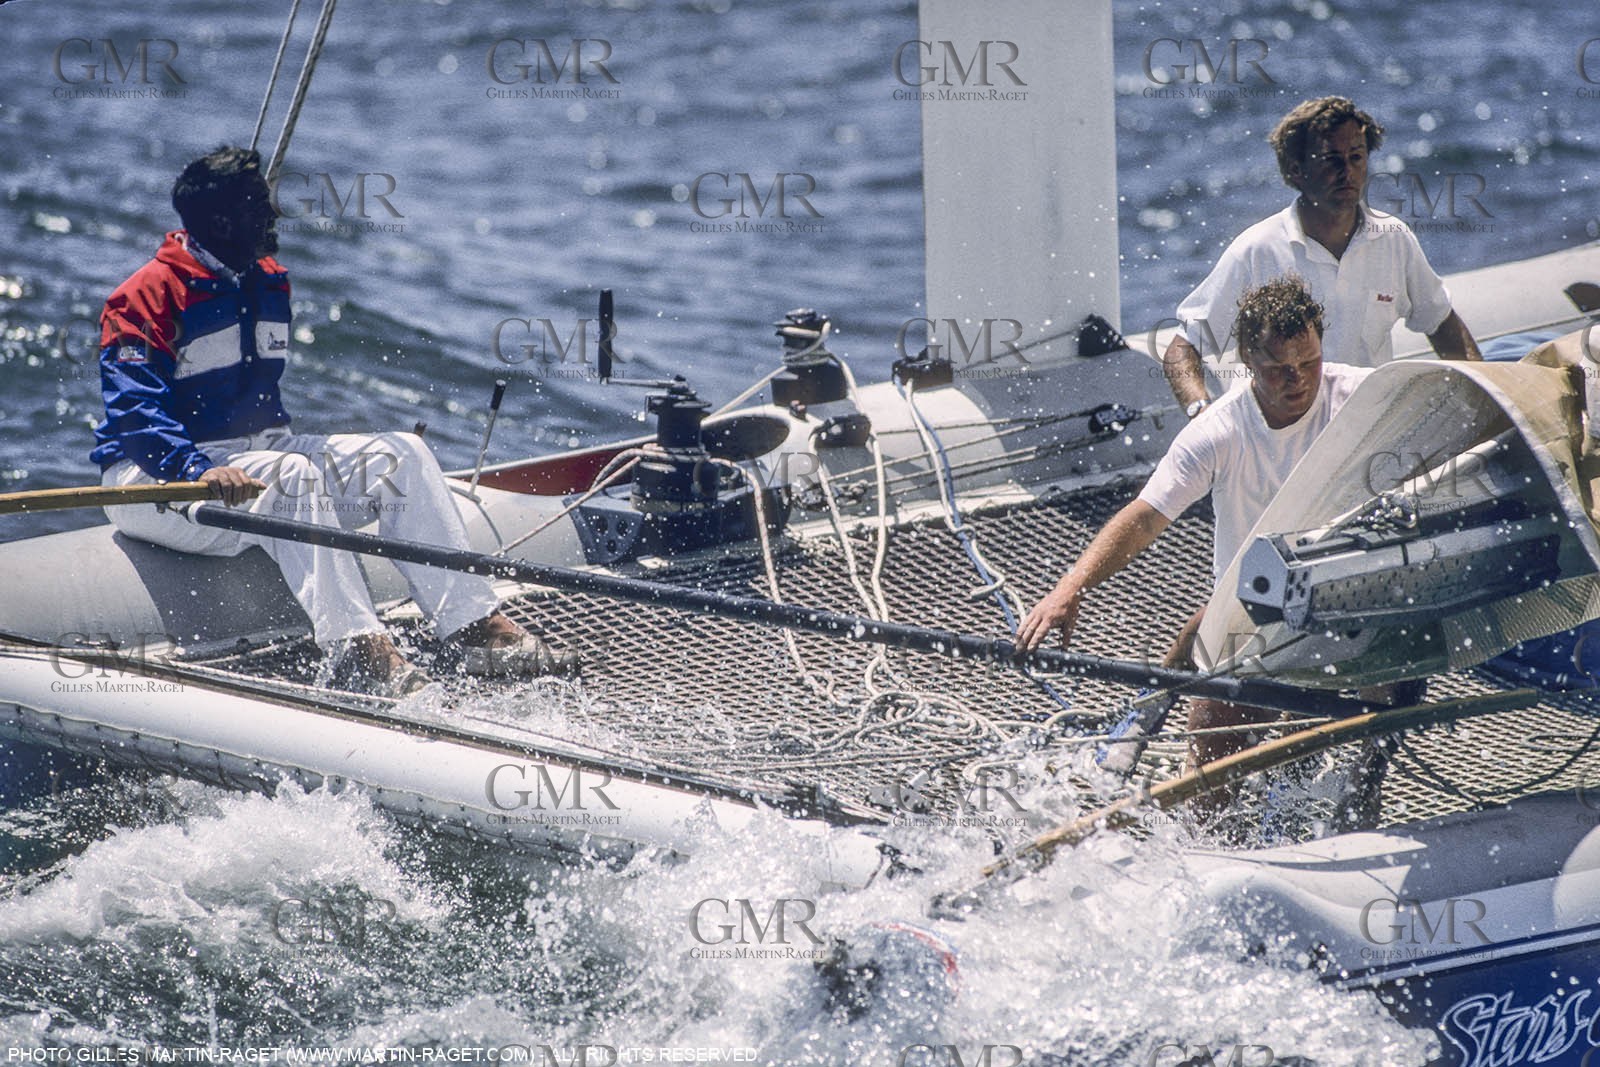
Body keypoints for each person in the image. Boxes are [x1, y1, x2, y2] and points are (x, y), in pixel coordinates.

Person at [90, 145, 576, 696]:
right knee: (292, 475)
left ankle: (473, 629)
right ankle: (358, 652)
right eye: (258, 205)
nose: (273, 215)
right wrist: (194, 467)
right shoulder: (144, 297)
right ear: (222, 221)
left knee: (403, 455)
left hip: (256, 456)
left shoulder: (268, 281)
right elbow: (134, 411)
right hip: (158, 475)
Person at [1019, 276, 1403, 825]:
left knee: (1378, 695)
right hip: (1252, 615)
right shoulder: (1219, 432)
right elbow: (1144, 517)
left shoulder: (1361, 395)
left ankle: (1359, 790)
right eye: (1278, 369)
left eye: (1308, 363)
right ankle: (1153, 727)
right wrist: (1067, 591)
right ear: (1247, 360)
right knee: (1208, 790)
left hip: (1348, 606)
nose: (1298, 381)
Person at [1160, 96, 1481, 420]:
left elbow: (1442, 323)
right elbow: (1182, 350)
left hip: (1364, 431)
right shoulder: (1256, 251)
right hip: (1275, 441)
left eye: (1356, 157)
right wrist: (1201, 411)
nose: (1347, 172)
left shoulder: (1394, 239)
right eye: (1331, 160)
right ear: (1296, 171)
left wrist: (1484, 405)